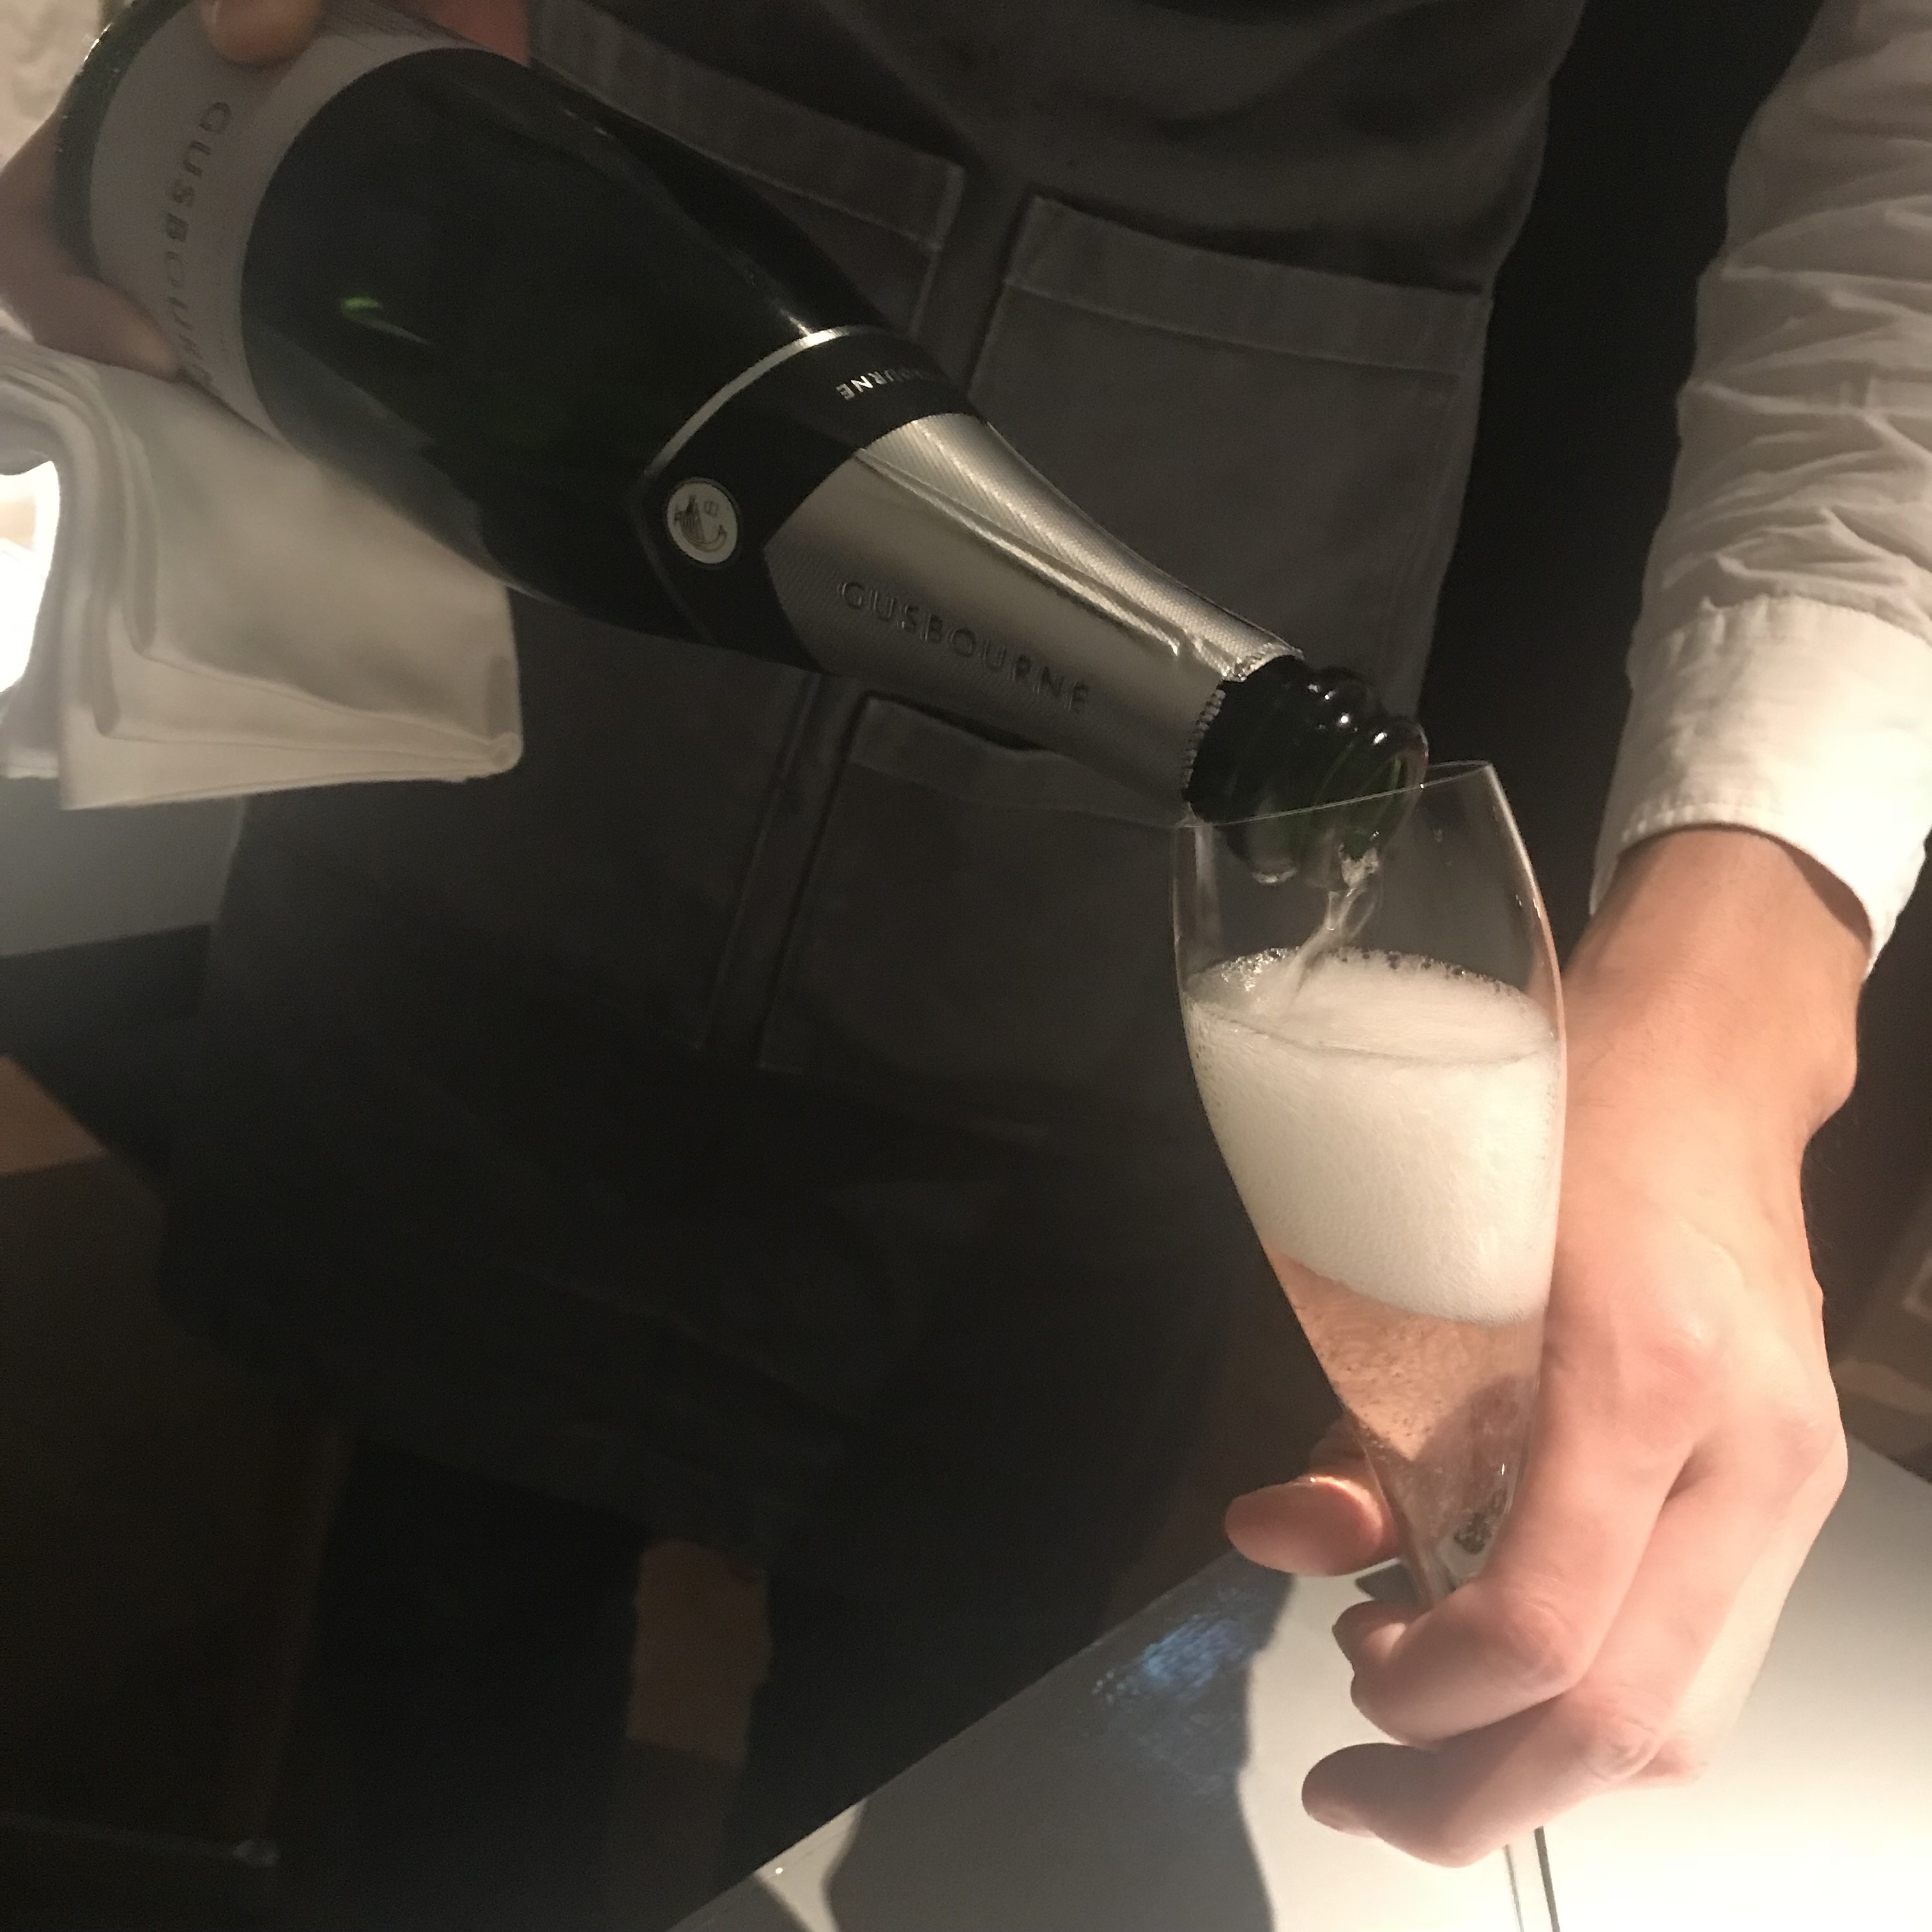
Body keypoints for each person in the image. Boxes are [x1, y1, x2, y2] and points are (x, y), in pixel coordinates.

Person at [2, 0, 1922, 1915]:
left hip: (1208, 622)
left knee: (949, 1667)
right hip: (556, 380)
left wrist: (1744, 998)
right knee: (434, 1552)